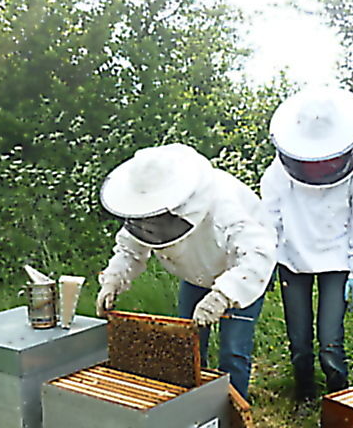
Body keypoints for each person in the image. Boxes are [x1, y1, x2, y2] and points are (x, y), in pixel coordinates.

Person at [95, 143, 276, 400]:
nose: (151, 223)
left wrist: (223, 296)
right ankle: (194, 407)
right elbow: (130, 249)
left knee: (234, 351)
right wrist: (113, 280)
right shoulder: (146, 211)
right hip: (195, 274)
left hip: (241, 274)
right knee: (187, 344)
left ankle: (232, 418)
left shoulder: (224, 204)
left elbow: (258, 254)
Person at [260, 86, 353, 407]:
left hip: (338, 262)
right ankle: (304, 396)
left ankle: (339, 400)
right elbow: (269, 219)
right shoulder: (278, 172)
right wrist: (265, 260)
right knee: (299, 341)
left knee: (330, 341)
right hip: (292, 259)